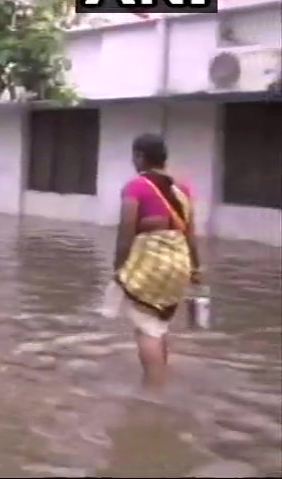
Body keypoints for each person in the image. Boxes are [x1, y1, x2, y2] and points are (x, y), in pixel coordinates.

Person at [111, 133, 201, 390]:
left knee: (146, 328)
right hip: (179, 265)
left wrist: (118, 268)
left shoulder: (136, 187)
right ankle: (160, 375)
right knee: (159, 324)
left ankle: (153, 393)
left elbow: (125, 232)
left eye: (134, 156)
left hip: (151, 267)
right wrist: (196, 268)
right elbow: (191, 234)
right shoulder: (182, 190)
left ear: (139, 156)